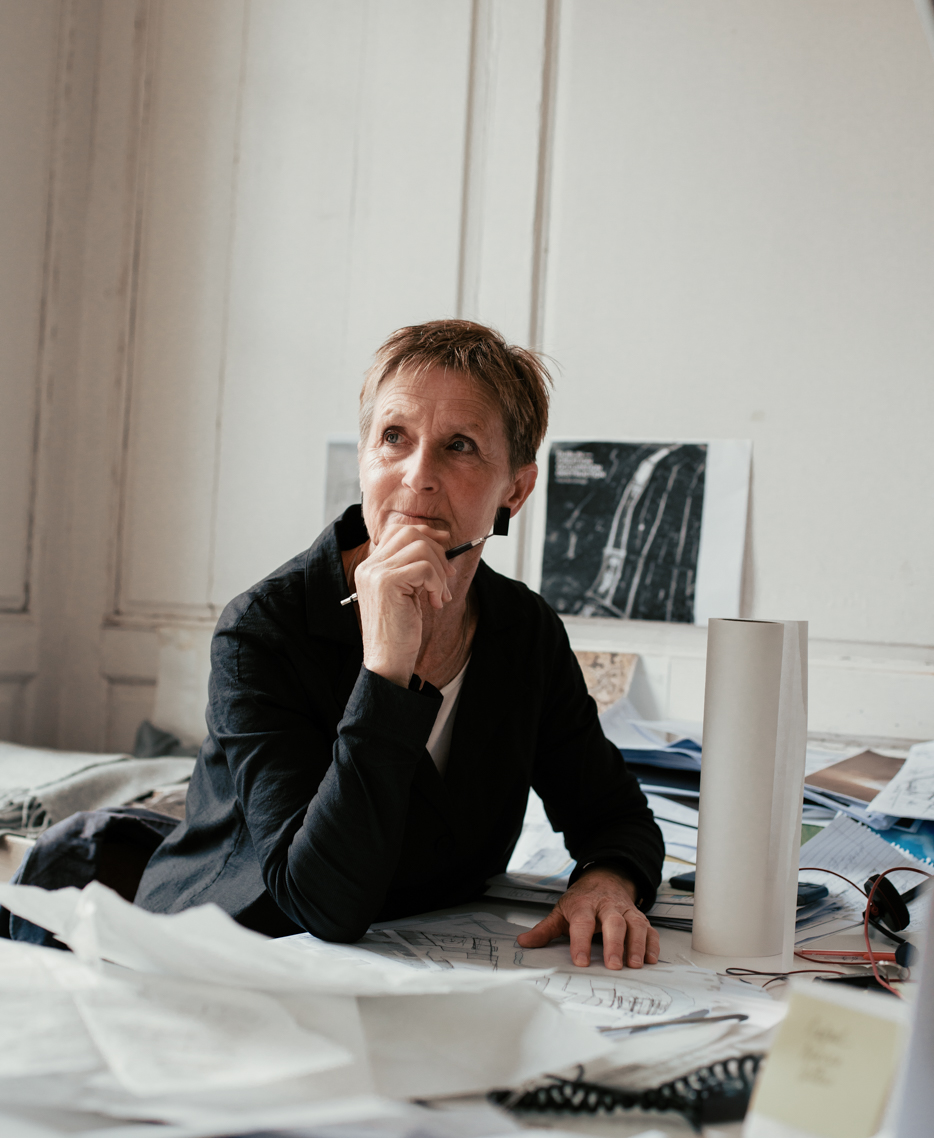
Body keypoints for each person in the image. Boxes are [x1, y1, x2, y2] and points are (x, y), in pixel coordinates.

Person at [136, 320, 664, 971]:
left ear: (515, 490)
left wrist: (606, 881)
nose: (418, 476)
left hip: (420, 963)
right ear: (365, 459)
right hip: (228, 959)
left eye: (459, 445)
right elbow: (320, 904)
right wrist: (387, 671)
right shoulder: (264, 629)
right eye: (393, 438)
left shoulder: (524, 631)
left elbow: (616, 816)